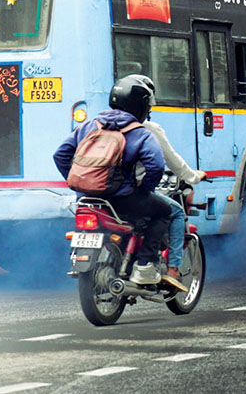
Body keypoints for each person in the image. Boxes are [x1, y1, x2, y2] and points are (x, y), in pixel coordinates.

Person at [53, 76, 170, 285]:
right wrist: (144, 191)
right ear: (140, 105)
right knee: (163, 212)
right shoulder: (140, 133)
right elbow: (156, 166)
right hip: (122, 199)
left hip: (87, 199)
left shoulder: (89, 126)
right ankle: (144, 266)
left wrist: (78, 182)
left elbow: (60, 155)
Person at [130, 74, 206, 291]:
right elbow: (171, 162)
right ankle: (171, 269)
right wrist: (193, 177)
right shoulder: (148, 129)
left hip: (95, 194)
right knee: (172, 211)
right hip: (129, 194)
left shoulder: (100, 124)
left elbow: (63, 155)